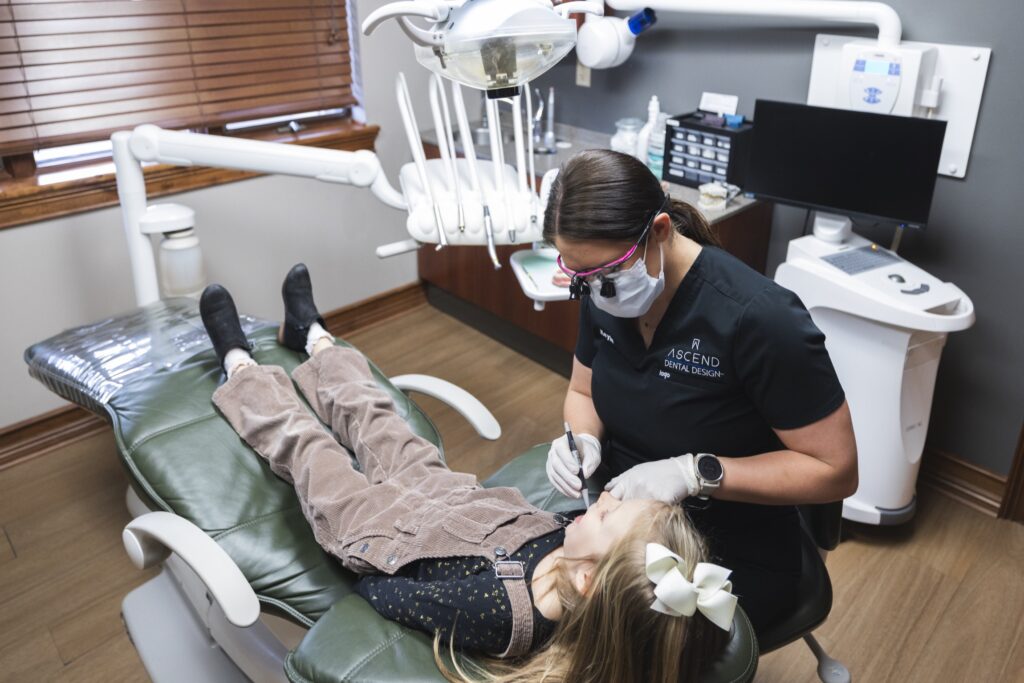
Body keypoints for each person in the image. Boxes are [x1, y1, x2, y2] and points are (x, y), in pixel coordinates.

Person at [198, 264, 737, 683]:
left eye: (610, 515)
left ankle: (238, 363)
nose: (605, 500)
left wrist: (370, 572)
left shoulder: (500, 614)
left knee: (308, 447)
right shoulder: (583, 557)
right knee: (373, 412)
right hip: (441, 493)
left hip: (378, 531)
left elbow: (390, 598)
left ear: (587, 580)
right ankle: (312, 335)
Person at [543, 149, 858, 636]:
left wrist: (694, 472)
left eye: (606, 274)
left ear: (661, 232)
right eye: (580, 277)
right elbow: (582, 394)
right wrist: (581, 441)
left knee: (595, 634)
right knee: (531, 594)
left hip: (723, 544)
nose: (596, 292)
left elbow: (835, 472)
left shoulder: (760, 319)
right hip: (618, 520)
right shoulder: (604, 289)